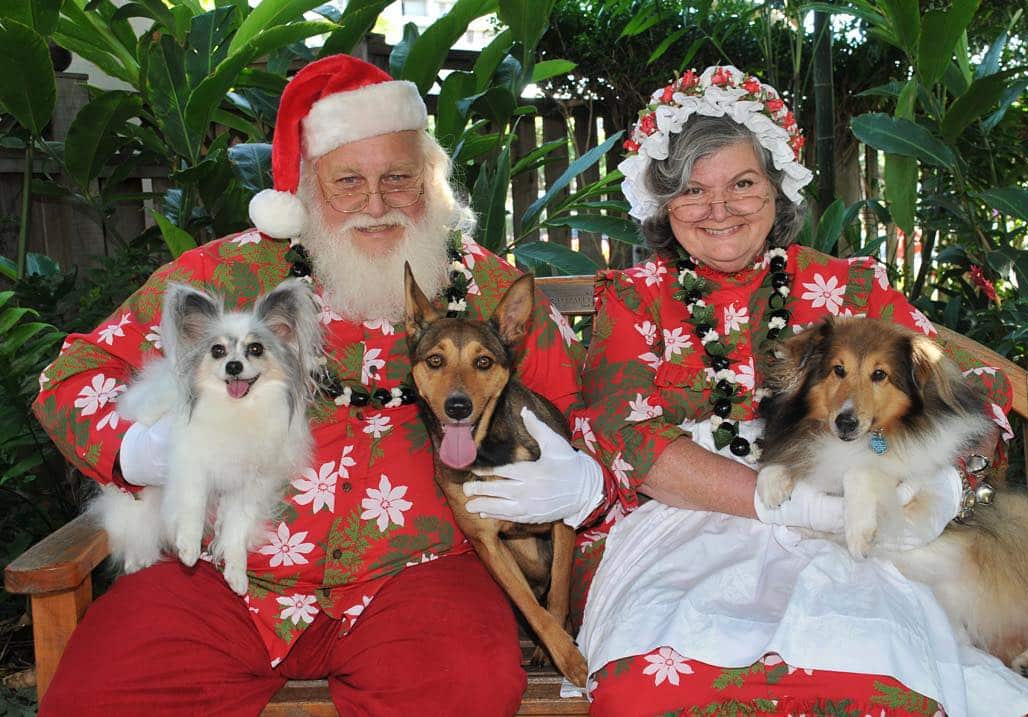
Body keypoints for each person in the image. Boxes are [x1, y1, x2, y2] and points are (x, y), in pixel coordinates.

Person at [463, 65, 1028, 716]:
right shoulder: (635, 300)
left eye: (743, 183)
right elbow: (633, 441)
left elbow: (955, 397)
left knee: (871, 679)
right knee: (657, 686)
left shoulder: (851, 289)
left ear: (778, 189)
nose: (719, 209)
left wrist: (893, 478)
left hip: (854, 527)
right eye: (693, 189)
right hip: (681, 527)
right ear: (664, 203)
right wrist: (789, 507)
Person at [31, 54, 605, 716]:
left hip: (421, 576)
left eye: (399, 178)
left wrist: (583, 481)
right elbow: (69, 378)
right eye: (347, 182)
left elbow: (592, 419)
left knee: (464, 683)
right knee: (102, 688)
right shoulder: (227, 273)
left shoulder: (495, 293)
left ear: (432, 180)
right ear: (305, 188)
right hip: (221, 571)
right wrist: (150, 450)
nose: (377, 204)